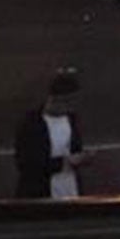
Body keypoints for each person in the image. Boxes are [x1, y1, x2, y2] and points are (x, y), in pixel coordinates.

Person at [14, 69, 88, 198]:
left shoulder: (71, 119)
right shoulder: (32, 124)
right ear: (56, 100)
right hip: (41, 191)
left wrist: (81, 159)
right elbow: (25, 163)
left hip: (69, 188)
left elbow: (75, 148)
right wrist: (63, 162)